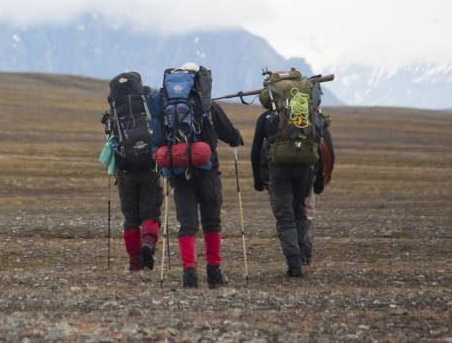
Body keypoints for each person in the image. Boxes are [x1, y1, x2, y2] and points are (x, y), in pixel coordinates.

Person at [154, 62, 244, 289]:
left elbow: (158, 139)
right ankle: (214, 273)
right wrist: (236, 139)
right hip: (207, 171)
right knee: (211, 221)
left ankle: (189, 274)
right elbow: (231, 135)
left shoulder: (166, 107)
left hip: (178, 173)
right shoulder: (208, 106)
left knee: (187, 224)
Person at [250, 76, 329, 277]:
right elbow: (318, 148)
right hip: (305, 170)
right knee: (299, 211)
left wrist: (258, 180)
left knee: (285, 216)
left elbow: (255, 150)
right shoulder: (309, 117)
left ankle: (294, 264)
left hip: (278, 171)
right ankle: (301, 256)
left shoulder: (267, 119)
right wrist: (319, 178)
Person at [101, 72, 163, 271]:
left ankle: (135, 264)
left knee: (130, 220)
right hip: (149, 167)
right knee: (150, 214)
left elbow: (111, 141)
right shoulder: (147, 102)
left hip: (126, 170)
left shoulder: (116, 110)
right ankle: (149, 244)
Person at [302, 123, 334, 266]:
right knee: (308, 213)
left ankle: (293, 256)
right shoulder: (318, 123)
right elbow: (329, 154)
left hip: (287, 175)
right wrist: (323, 179)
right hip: (313, 174)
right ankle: (305, 255)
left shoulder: (283, 119)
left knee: (292, 212)